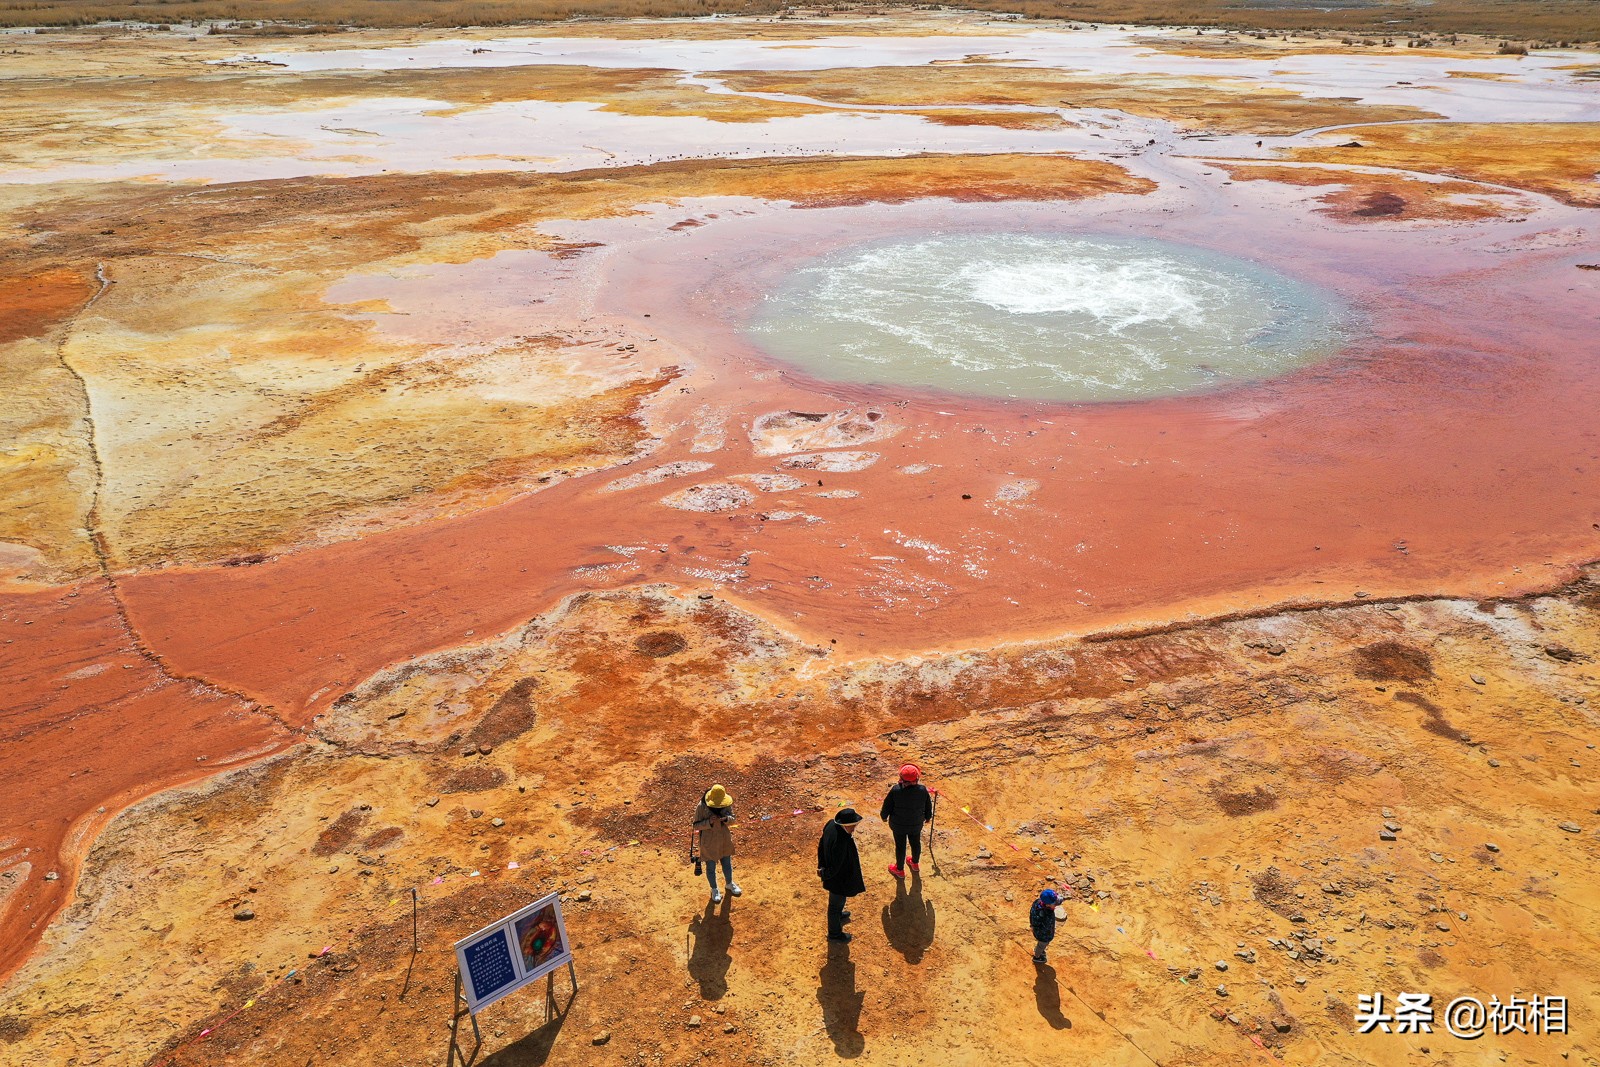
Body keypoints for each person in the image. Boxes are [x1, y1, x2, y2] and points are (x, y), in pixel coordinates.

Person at [816, 807, 865, 943]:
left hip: (835, 877)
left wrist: (821, 865)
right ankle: (834, 934)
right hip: (838, 880)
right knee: (834, 906)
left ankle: (839, 915)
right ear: (845, 825)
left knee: (838, 903)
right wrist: (824, 873)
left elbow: (821, 844)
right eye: (853, 825)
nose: (854, 827)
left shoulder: (831, 824)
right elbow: (836, 867)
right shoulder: (841, 842)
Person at [879, 763, 933, 878]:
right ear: (917, 778)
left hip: (898, 825)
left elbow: (887, 805)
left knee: (900, 847)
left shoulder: (896, 790)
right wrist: (928, 817)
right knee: (915, 843)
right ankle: (915, 863)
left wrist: (884, 816)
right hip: (916, 824)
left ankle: (899, 870)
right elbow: (928, 805)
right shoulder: (922, 790)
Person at [694, 784, 741, 904]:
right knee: (710, 868)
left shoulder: (726, 804)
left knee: (727, 864)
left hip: (724, 839)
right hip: (708, 842)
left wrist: (726, 819)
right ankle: (714, 889)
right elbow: (695, 825)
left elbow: (733, 819)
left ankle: (729, 884)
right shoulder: (701, 806)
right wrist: (709, 822)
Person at [1030, 889, 1061, 964]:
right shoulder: (1043, 914)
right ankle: (1037, 957)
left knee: (1041, 945)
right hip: (1043, 935)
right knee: (1042, 945)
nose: (1056, 905)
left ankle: (1039, 949)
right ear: (1048, 905)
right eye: (1055, 904)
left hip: (1043, 931)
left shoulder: (1038, 902)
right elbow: (1036, 923)